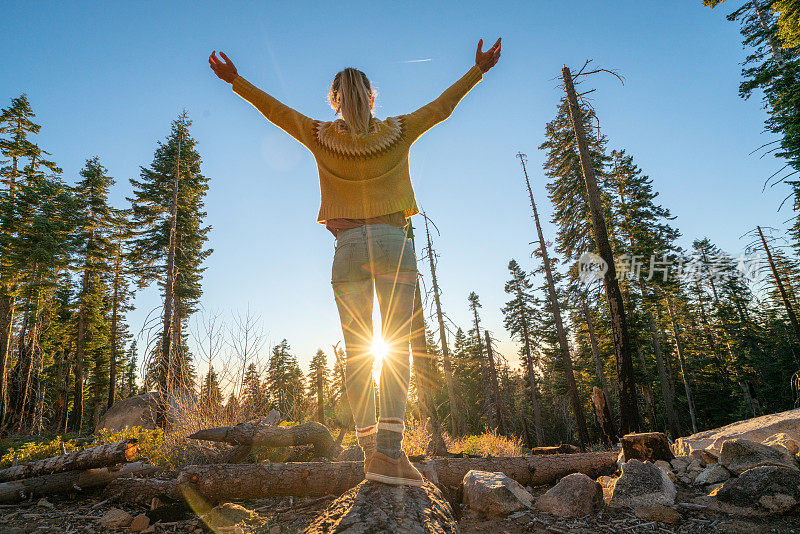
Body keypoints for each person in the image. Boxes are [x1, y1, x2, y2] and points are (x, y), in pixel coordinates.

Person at [209, 38, 501, 486]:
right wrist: (478, 70)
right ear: (370, 97)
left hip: (346, 247)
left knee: (360, 352)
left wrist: (235, 81)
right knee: (396, 345)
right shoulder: (399, 130)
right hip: (391, 241)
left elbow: (275, 111)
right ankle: (388, 452)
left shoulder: (319, 134)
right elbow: (443, 107)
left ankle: (372, 454)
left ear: (335, 101)